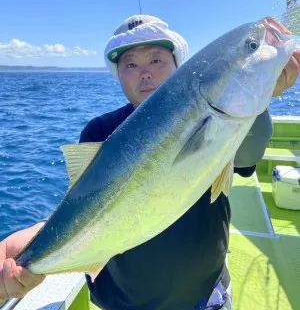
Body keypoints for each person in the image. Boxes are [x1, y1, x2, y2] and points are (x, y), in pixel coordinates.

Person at [1, 15, 299, 310]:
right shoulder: (99, 133)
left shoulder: (222, 118)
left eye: (156, 60)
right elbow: (85, 209)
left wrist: (264, 93)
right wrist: (30, 253)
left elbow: (247, 158)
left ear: (178, 66)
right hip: (123, 303)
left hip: (207, 297)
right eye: (130, 64)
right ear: (118, 73)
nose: (145, 73)